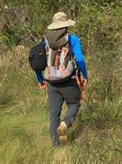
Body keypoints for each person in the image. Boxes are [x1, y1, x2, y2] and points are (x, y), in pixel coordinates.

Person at [36, 12, 88, 146]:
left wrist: (40, 79)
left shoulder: (45, 40)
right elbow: (80, 59)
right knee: (74, 104)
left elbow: (38, 62)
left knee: (54, 114)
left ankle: (56, 145)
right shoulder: (72, 39)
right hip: (69, 80)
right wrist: (84, 75)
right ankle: (65, 123)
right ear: (66, 26)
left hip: (51, 82)